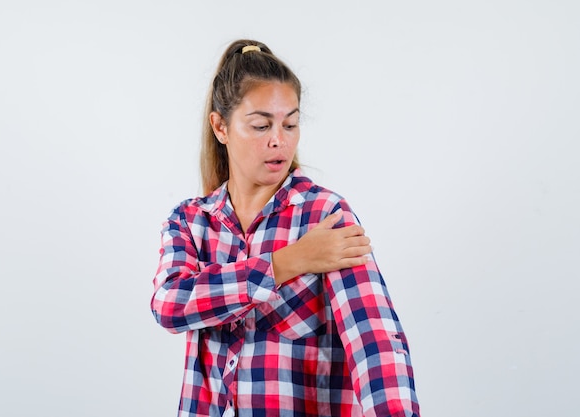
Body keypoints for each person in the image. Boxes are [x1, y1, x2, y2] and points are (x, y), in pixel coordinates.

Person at [151, 39, 420, 417]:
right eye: (261, 125)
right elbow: (170, 305)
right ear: (221, 127)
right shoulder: (191, 221)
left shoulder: (324, 216)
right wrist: (286, 263)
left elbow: (373, 343)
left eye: (290, 123)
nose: (280, 140)